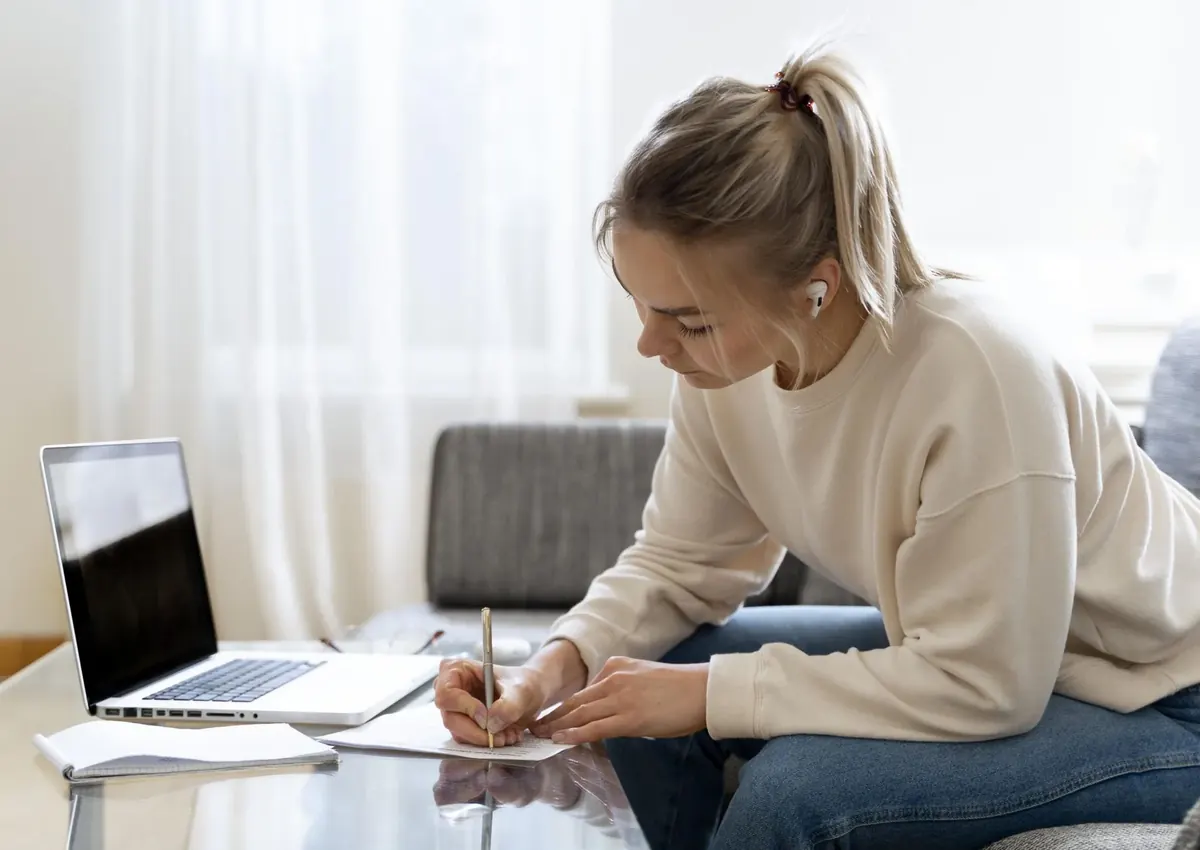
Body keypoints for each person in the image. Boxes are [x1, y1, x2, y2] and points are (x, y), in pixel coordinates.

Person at [434, 42, 1200, 850]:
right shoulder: (724, 369)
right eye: (641, 303)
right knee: (632, 690)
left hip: (1162, 701)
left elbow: (987, 688)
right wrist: (551, 668)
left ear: (815, 289)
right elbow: (676, 568)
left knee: (793, 796)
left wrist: (709, 695)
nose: (651, 346)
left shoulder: (979, 372)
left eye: (689, 319)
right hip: (1016, 669)